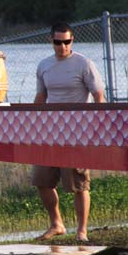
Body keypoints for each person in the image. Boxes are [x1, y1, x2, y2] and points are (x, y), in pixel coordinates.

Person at [32, 22, 105, 242]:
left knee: (78, 184)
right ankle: (57, 224)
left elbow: (98, 95)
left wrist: (95, 125)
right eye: (57, 42)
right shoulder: (44, 65)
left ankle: (82, 231)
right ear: (51, 41)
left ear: (72, 41)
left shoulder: (84, 64)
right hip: (50, 133)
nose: (62, 46)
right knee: (41, 180)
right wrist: (32, 124)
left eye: (66, 42)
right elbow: (40, 97)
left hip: (77, 133)